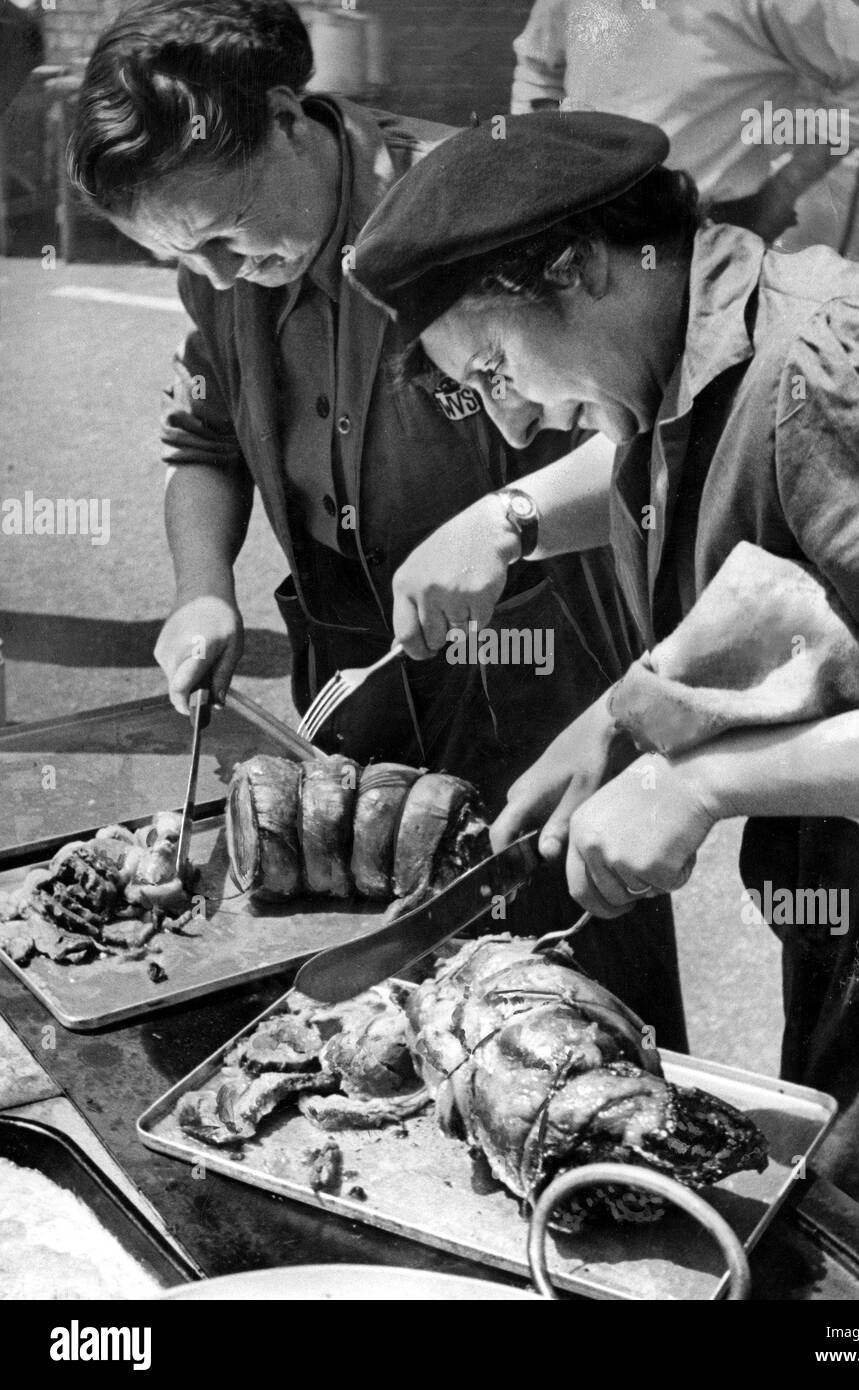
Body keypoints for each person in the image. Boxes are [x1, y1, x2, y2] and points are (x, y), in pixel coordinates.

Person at [348, 111, 859, 1276]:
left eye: (495, 366)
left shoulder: (836, 362)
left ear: (582, 266)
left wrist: (698, 780)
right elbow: (742, 519)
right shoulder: (683, 362)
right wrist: (613, 709)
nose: (509, 418)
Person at [65, 0, 684, 1037]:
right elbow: (206, 444)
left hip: (536, 675)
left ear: (286, 118)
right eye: (185, 257)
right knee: (368, 1008)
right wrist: (202, 592)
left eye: (226, 234)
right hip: (356, 662)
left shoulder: (480, 204)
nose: (218, 276)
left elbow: (649, 426)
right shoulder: (222, 269)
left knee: (565, 1003)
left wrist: (509, 514)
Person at [511, 0, 859, 242]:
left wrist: (785, 189)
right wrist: (542, 181)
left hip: (709, 232)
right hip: (586, 224)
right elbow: (538, 68)